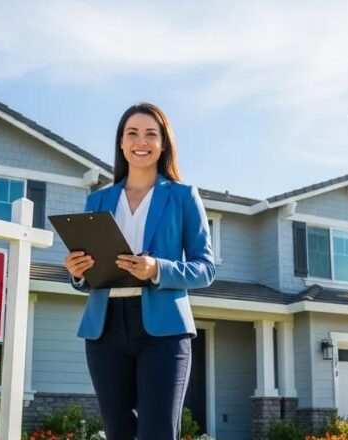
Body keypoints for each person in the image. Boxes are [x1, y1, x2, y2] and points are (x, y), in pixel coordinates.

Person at [64, 103, 216, 439]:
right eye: (132, 133)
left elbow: (205, 268)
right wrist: (78, 272)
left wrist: (158, 268)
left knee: (157, 432)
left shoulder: (182, 196)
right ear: (121, 143)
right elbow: (88, 272)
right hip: (104, 330)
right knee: (119, 432)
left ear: (163, 144)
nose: (141, 141)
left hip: (163, 331)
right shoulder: (99, 200)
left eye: (151, 134)